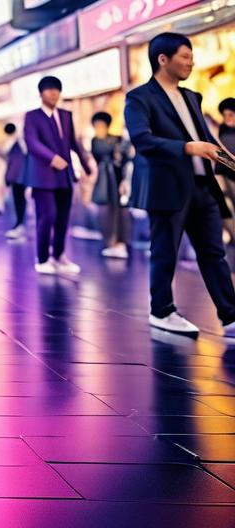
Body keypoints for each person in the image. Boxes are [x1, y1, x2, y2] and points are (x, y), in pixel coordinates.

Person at [124, 34, 235, 338]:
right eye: (185, 56)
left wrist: (227, 160)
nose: (191, 62)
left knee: (214, 252)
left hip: (202, 187)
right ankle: (162, 311)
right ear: (163, 59)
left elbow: (207, 141)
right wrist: (187, 148)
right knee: (165, 252)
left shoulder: (191, 97)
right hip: (167, 188)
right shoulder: (139, 98)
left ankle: (230, 317)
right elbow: (142, 140)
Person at [23, 76, 92, 276]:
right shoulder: (32, 116)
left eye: (57, 89)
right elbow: (32, 142)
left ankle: (59, 256)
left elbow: (73, 142)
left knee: (62, 217)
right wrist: (52, 158)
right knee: (47, 216)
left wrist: (86, 166)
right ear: (41, 93)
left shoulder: (66, 115)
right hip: (42, 176)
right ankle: (42, 258)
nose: (53, 93)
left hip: (65, 176)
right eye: (49, 89)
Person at [90, 112, 132, 260]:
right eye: (96, 126)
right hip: (104, 178)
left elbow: (125, 158)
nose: (99, 129)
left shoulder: (117, 139)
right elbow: (97, 157)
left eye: (101, 125)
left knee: (120, 211)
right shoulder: (95, 141)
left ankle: (121, 243)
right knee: (105, 211)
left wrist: (124, 180)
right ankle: (111, 242)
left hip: (116, 177)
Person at [2, 122, 28, 240]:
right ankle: (19, 223)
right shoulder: (15, 143)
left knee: (20, 200)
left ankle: (20, 224)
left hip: (20, 176)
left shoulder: (18, 143)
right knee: (19, 200)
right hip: (17, 176)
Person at [216, 98, 235, 242]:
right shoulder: (220, 131)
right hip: (225, 176)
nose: (226, 118)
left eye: (231, 115)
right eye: (225, 115)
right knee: (225, 206)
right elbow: (218, 154)